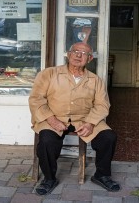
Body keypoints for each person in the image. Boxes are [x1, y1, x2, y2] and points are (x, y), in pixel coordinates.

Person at [28, 42, 120, 196]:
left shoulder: (95, 80)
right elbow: (36, 99)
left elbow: (102, 104)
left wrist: (91, 123)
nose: (78, 55)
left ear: (89, 59)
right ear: (68, 54)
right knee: (47, 140)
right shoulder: (49, 74)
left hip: (85, 119)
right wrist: (51, 120)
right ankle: (49, 179)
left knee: (108, 137)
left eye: (84, 53)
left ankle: (102, 175)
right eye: (75, 51)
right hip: (53, 117)